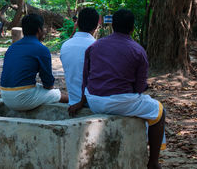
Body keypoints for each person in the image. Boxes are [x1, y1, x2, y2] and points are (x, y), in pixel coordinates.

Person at [69, 9, 166, 169]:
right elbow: (140, 88)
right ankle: (153, 162)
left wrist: (81, 101)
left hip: (94, 100)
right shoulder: (138, 50)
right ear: (132, 28)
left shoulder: (95, 46)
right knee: (159, 111)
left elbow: (86, 78)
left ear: (112, 26)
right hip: (121, 102)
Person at [0, 14, 68, 111]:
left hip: (5, 95)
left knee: (39, 88)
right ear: (39, 30)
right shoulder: (41, 49)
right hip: (21, 98)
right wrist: (51, 89)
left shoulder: (12, 47)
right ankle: (78, 103)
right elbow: (48, 83)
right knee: (57, 94)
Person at [60, 8, 99, 106]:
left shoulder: (65, 46)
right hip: (93, 103)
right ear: (96, 26)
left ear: (77, 23)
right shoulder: (98, 47)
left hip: (73, 101)